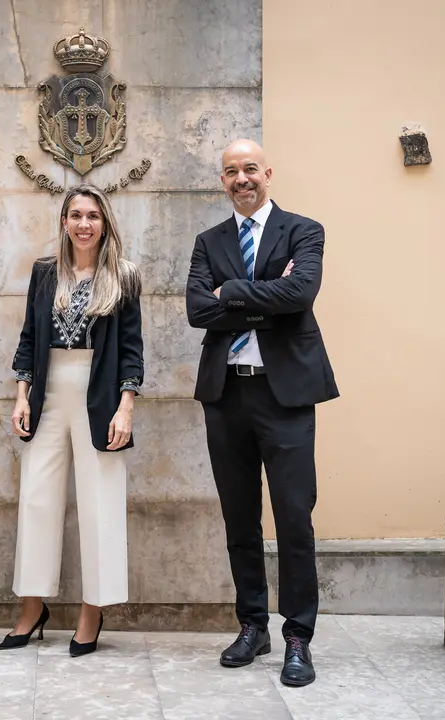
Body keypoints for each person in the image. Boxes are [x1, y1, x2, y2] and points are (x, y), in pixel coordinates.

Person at [185, 139, 339, 687]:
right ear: (222, 180)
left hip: (286, 396)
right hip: (227, 396)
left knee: (295, 518)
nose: (241, 179)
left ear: (267, 172)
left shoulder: (304, 230)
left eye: (250, 169)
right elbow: (197, 309)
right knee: (239, 518)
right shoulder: (209, 241)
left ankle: (298, 636)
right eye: (231, 172)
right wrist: (256, 298)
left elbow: (300, 293)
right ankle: (252, 625)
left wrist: (234, 292)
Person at [0, 183, 143, 657]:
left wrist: (126, 407)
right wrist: (22, 397)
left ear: (105, 224)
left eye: (93, 216)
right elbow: (27, 338)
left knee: (100, 502)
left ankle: (92, 610)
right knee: (38, 500)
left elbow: (130, 350)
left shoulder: (123, 276)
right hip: (48, 391)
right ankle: (32, 606)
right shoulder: (44, 273)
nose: (84, 224)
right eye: (76, 215)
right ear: (64, 222)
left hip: (99, 394)